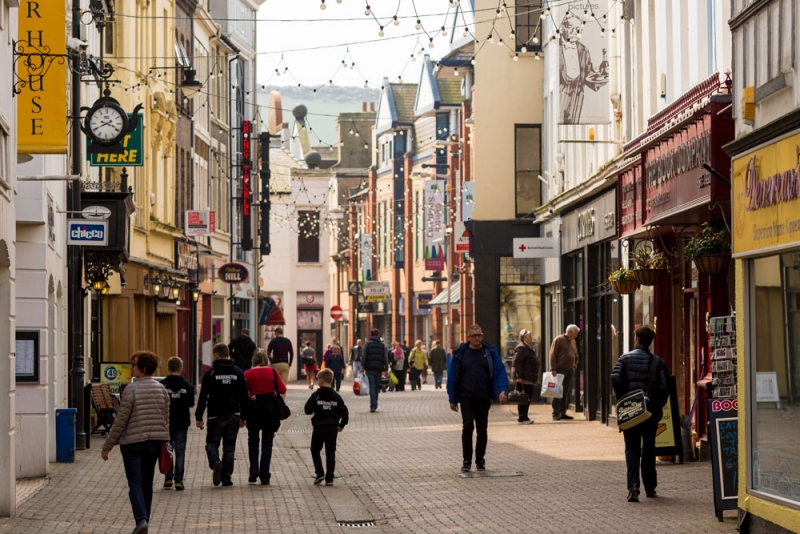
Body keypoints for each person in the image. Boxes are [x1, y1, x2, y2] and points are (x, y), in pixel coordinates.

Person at [101, 351, 170, 534]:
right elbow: (165, 418)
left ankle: (141, 520)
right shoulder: (161, 389)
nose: (131, 368)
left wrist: (107, 446)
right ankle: (144, 521)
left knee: (135, 483)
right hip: (154, 443)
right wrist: (165, 440)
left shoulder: (131, 389)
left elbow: (121, 420)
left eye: (134, 364)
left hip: (132, 443)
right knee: (147, 483)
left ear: (144, 368)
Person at [611, 325, 668, 502]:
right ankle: (650, 487)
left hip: (630, 412)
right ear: (650, 342)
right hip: (649, 413)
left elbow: (615, 378)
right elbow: (665, 387)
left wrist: (624, 399)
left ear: (636, 339)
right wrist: (656, 405)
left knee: (632, 449)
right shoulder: (658, 362)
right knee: (649, 448)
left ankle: (633, 486)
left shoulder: (624, 358)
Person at [447, 324, 509, 472]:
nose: (477, 338)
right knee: (468, 427)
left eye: (479, 335)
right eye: (474, 336)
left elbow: (500, 370)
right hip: (466, 396)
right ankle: (466, 461)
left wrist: (503, 390)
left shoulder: (489, 352)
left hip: (483, 397)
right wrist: (452, 399)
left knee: (482, 429)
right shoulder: (460, 354)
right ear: (468, 337)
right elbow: (452, 377)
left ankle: (480, 460)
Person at [195, 343, 249, 487]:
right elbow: (244, 397)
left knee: (212, 443)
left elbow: (203, 396)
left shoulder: (211, 373)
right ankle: (226, 478)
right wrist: (244, 416)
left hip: (215, 415)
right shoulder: (237, 373)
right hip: (233, 414)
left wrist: (198, 416)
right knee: (229, 446)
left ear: (217, 355)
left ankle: (215, 462)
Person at [243, 348, 287, 486]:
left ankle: (253, 469)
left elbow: (244, 394)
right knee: (267, 442)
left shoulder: (248, 374)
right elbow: (282, 389)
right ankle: (264, 475)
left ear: (254, 360)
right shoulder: (273, 372)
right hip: (270, 409)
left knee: (253, 440)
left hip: (254, 408)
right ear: (266, 360)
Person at [304, 368, 349, 486]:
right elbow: (345, 412)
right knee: (330, 452)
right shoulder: (336, 397)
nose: (317, 381)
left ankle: (319, 473)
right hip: (332, 428)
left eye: (318, 379)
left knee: (315, 449)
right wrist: (342, 424)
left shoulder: (316, 396)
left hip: (319, 427)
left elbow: (307, 410)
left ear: (322, 381)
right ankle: (329, 478)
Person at [162, 357, 195, 490]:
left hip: (166, 423)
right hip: (182, 423)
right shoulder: (187, 386)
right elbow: (191, 403)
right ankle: (179, 480)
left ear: (168, 369)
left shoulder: (163, 385)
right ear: (181, 369)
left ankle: (168, 477)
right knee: (180, 452)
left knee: (168, 450)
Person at [549, 324, 580, 421]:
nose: (576, 336)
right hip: (559, 370)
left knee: (565, 392)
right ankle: (555, 413)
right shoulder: (558, 340)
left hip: (569, 370)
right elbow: (552, 354)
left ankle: (563, 412)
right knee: (557, 392)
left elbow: (576, 354)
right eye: (575, 334)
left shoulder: (573, 341)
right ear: (570, 332)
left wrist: (574, 365)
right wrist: (553, 368)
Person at [512, 329, 540, 425]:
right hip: (524, 378)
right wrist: (518, 376)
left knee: (527, 398)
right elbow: (517, 363)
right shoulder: (521, 348)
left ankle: (524, 416)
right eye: (529, 336)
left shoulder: (527, 347)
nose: (531, 338)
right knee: (523, 398)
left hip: (528, 377)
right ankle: (522, 418)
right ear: (524, 338)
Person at [362, 328, 388, 412]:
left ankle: (373, 405)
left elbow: (364, 356)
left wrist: (362, 366)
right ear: (378, 335)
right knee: (376, 386)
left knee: (372, 386)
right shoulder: (382, 345)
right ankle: (375, 404)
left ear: (371, 335)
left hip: (369, 368)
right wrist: (386, 369)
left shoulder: (367, 344)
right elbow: (385, 358)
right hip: (379, 368)